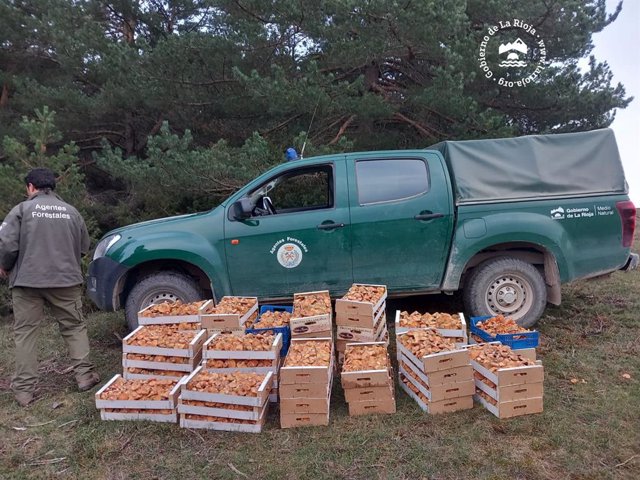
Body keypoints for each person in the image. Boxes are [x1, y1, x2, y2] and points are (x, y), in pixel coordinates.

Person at [0, 168, 100, 407]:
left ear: (31, 187)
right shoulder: (72, 212)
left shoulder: (21, 210)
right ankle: (84, 377)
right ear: (52, 187)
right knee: (74, 327)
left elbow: (6, 244)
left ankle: (24, 392)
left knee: (25, 334)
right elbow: (84, 246)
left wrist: (4, 265)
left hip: (28, 282)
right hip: (66, 281)